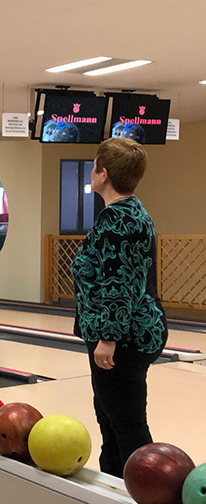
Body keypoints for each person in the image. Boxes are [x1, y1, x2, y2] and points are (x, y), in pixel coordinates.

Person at [72, 137, 167, 477]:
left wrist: (108, 338)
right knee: (111, 416)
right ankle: (115, 482)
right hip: (136, 330)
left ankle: (148, 489)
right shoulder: (132, 211)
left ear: (104, 174)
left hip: (122, 338)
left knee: (127, 423)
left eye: (94, 166)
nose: (92, 171)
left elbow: (118, 284)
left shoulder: (117, 221)